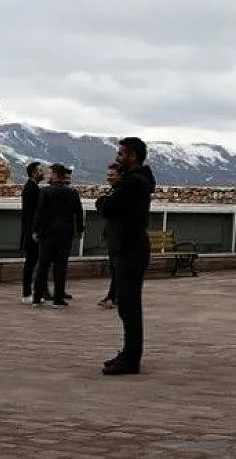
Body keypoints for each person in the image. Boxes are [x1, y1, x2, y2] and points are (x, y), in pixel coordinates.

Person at [95, 138, 154, 375]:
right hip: (129, 246)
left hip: (130, 248)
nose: (118, 157)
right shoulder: (138, 181)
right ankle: (129, 352)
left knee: (129, 306)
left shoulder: (132, 182)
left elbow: (108, 207)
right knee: (126, 305)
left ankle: (131, 358)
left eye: (121, 153)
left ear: (132, 156)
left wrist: (103, 200)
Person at [32, 163, 84, 306]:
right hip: (65, 234)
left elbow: (40, 213)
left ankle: (37, 297)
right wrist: (79, 230)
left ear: (55, 175)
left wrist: (36, 230)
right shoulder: (72, 192)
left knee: (43, 265)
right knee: (60, 266)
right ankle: (58, 298)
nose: (48, 175)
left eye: (50, 173)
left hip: (47, 234)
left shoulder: (45, 192)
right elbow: (78, 213)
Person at [19, 162, 44, 303]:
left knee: (33, 262)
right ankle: (27, 293)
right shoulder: (31, 189)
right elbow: (33, 213)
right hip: (32, 232)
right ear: (34, 173)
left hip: (32, 231)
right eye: (40, 170)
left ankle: (34, 292)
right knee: (31, 262)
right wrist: (35, 230)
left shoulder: (33, 188)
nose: (43, 173)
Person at [97, 161, 121, 309]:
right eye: (108, 175)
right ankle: (114, 295)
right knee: (114, 267)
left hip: (119, 237)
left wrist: (102, 200)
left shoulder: (118, 193)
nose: (109, 177)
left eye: (112, 175)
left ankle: (114, 296)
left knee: (117, 267)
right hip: (113, 235)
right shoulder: (113, 191)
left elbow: (106, 209)